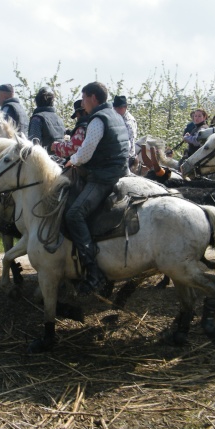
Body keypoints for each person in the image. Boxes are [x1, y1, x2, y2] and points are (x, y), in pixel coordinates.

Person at [64, 82, 129, 295]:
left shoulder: (98, 120)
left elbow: (86, 152)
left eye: (83, 99)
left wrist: (71, 161)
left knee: (74, 214)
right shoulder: (115, 115)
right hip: (120, 170)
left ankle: (93, 273)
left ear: (93, 97)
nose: (82, 103)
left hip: (104, 177)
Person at [27, 86, 65, 153]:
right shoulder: (59, 119)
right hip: (61, 160)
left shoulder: (37, 119)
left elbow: (34, 146)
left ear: (37, 101)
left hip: (45, 160)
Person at [113, 95, 138, 163]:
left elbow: (129, 142)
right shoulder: (117, 118)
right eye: (115, 108)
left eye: (120, 108)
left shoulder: (129, 122)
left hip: (127, 158)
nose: (117, 110)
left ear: (125, 107)